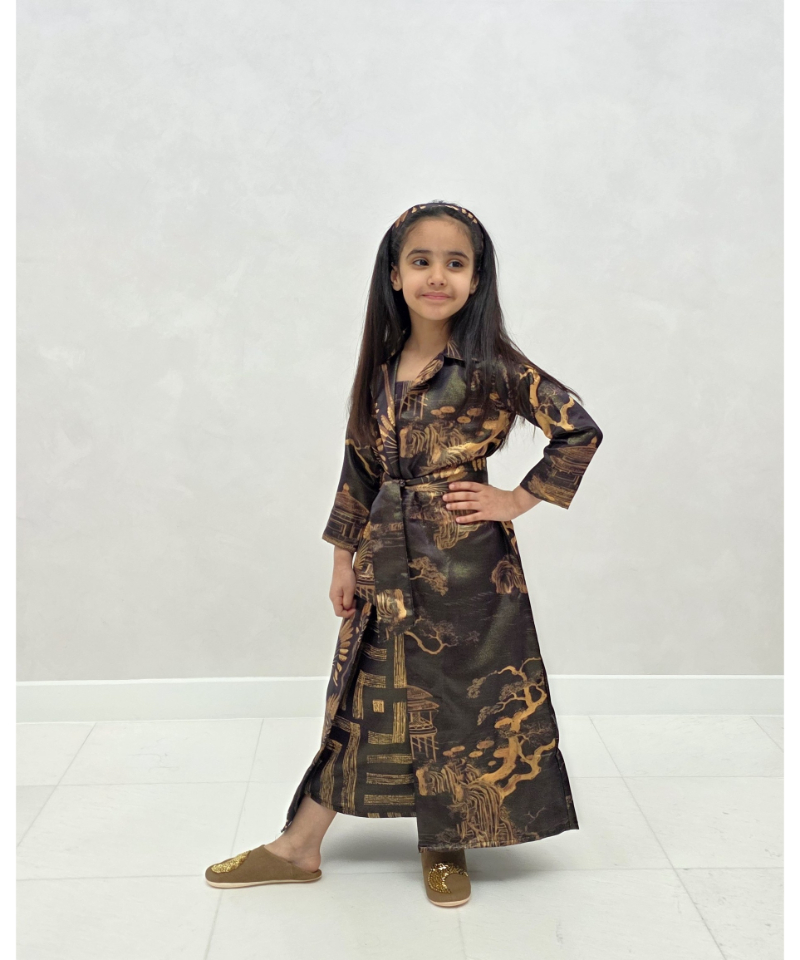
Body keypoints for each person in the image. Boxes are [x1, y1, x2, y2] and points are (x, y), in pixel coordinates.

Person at [205, 200, 604, 907]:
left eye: (456, 263)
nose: (437, 277)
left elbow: (578, 429)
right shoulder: (382, 369)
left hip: (466, 568)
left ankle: (444, 845)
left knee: (454, 701)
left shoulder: (493, 367)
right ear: (395, 275)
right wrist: (341, 558)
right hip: (383, 558)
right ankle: (299, 847)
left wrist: (515, 499)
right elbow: (359, 467)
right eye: (421, 261)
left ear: (477, 279)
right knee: (364, 695)